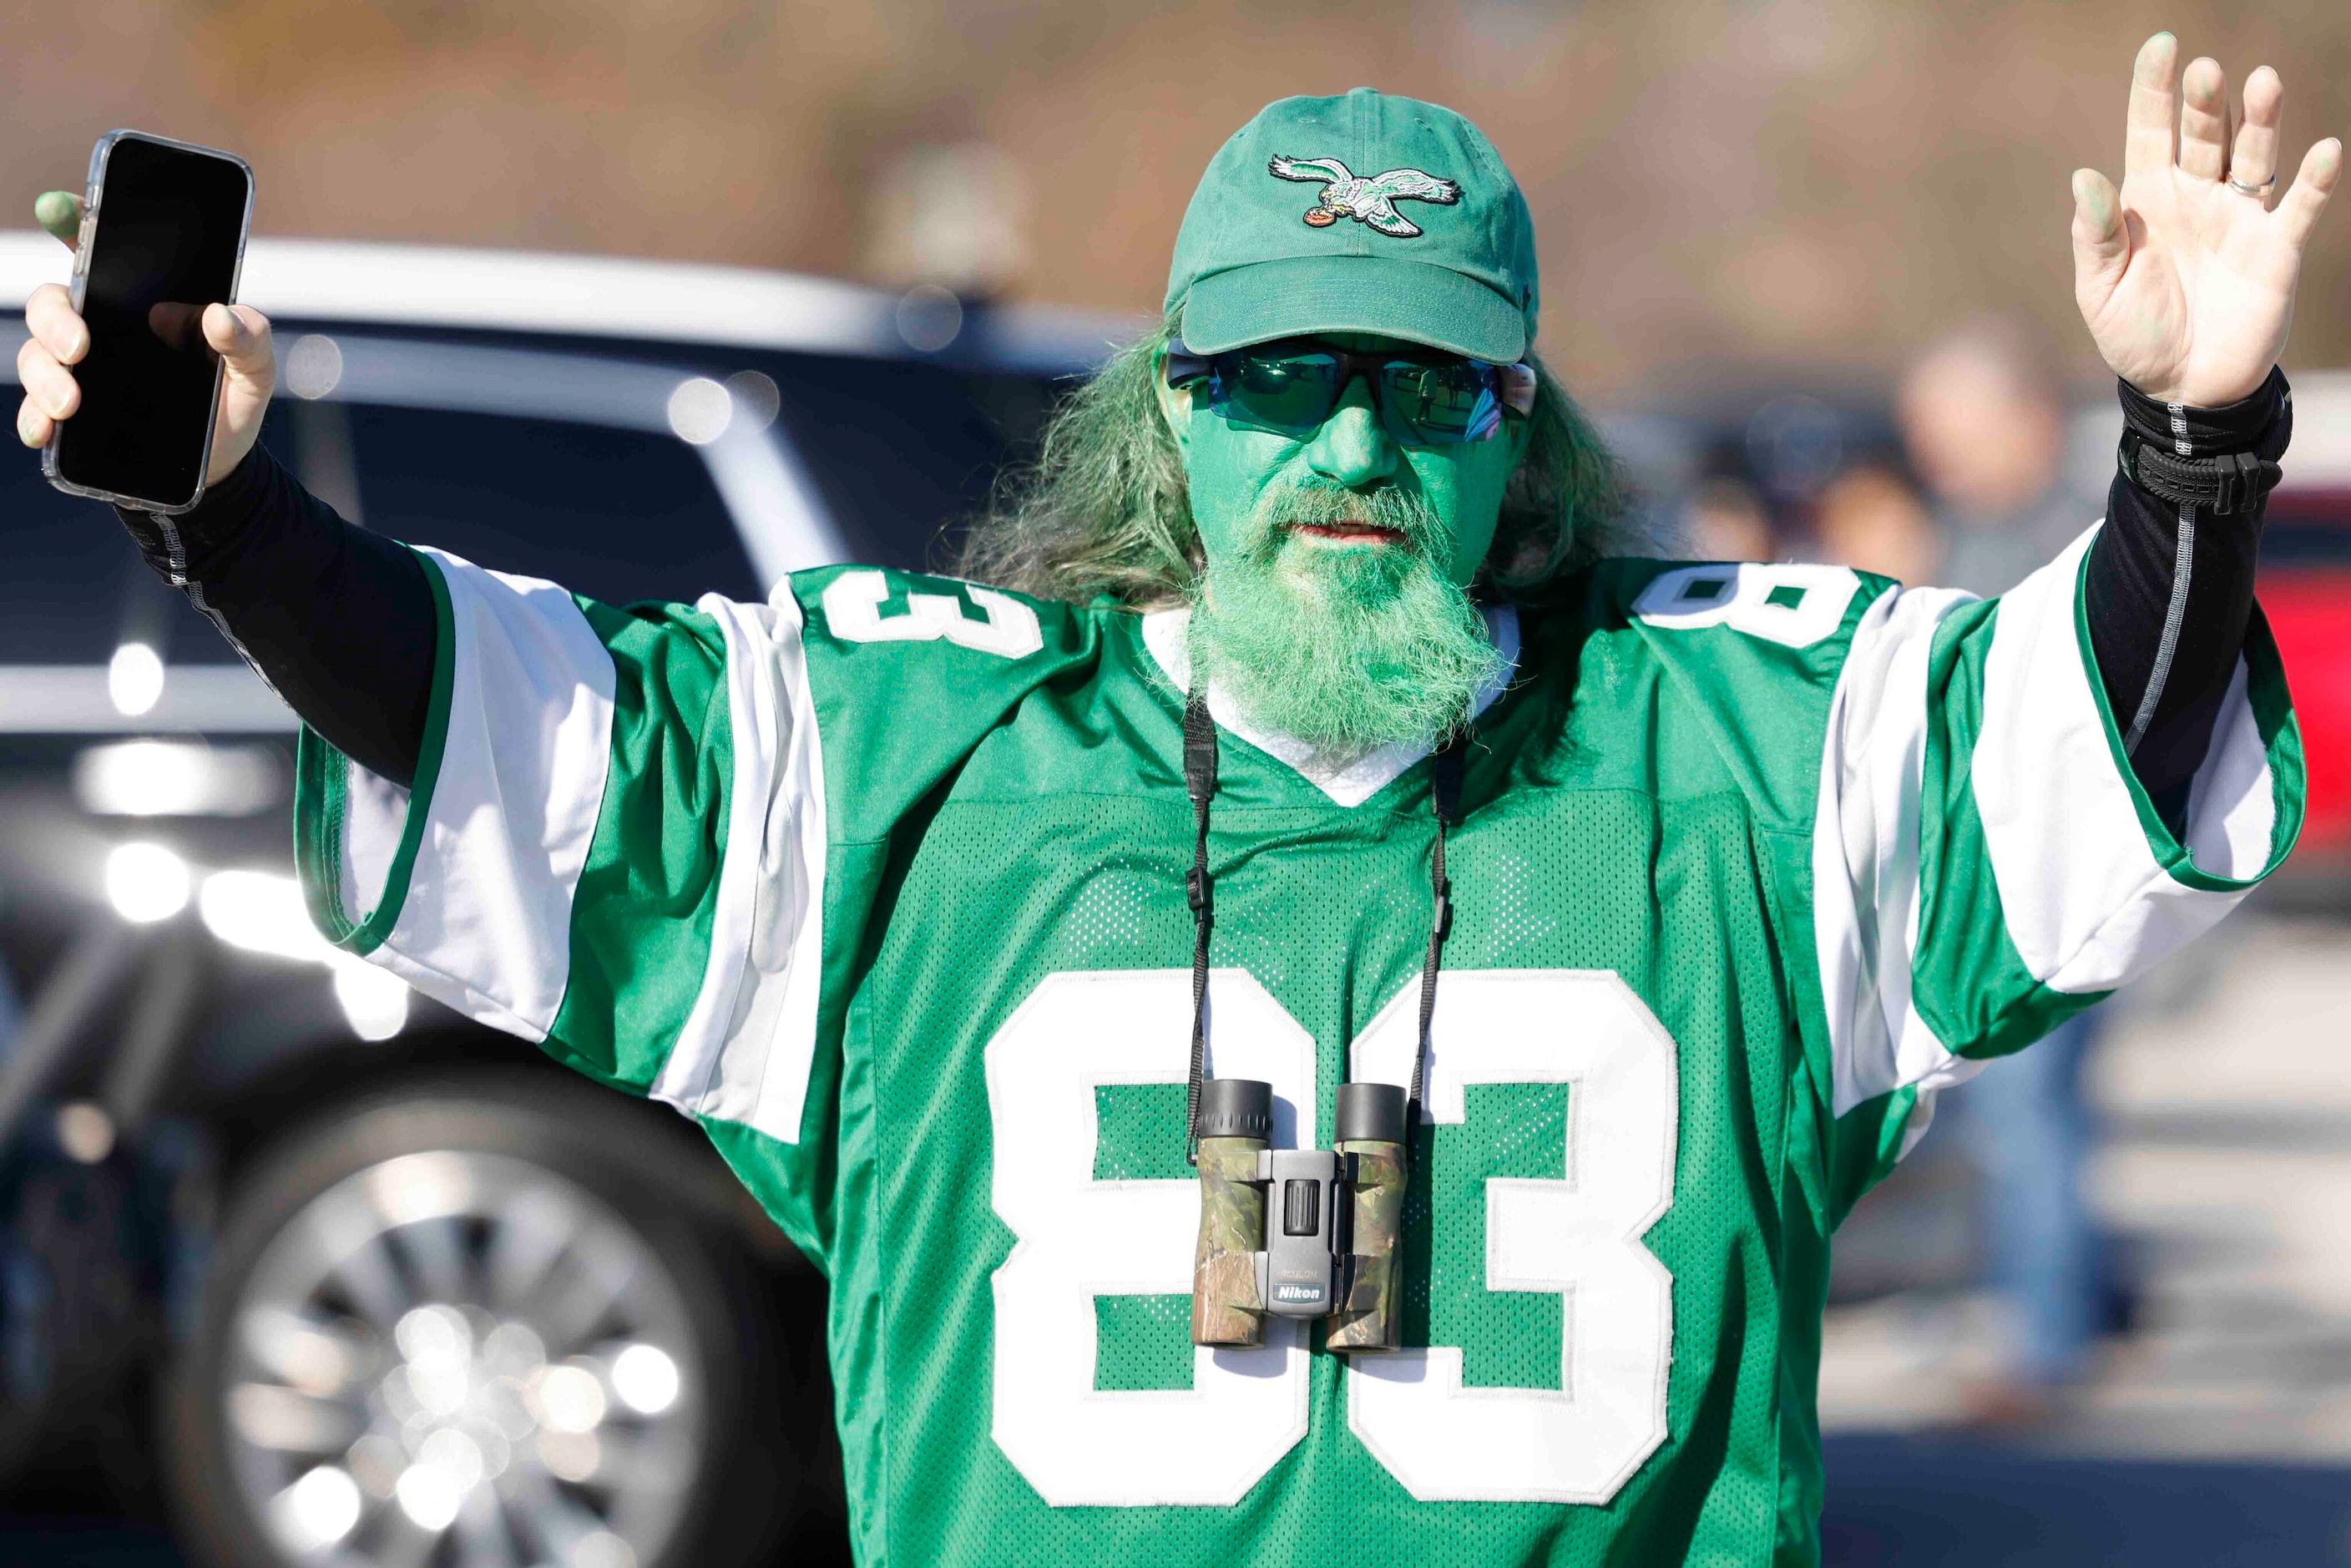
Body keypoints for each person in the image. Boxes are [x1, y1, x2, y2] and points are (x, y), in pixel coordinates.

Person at [13, 41, 2337, 1567]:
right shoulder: (912, 757)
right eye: (1281, 379)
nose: (1349, 445)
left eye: (1422, 384)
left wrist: (2193, 457)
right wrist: (226, 516)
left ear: (1520, 426)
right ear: (1169, 415)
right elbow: (510, 740)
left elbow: (2086, 760)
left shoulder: (1728, 742)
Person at [1896, 318, 2126, 1421]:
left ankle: (2045, 1344)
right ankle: (2079, 1301)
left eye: (1953, 431)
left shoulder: (2085, 536)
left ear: (2025, 417)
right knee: (2028, 1117)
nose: (1937, 456)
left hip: (2053, 881)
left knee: (2029, 1116)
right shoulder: (1962, 524)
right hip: (1984, 876)